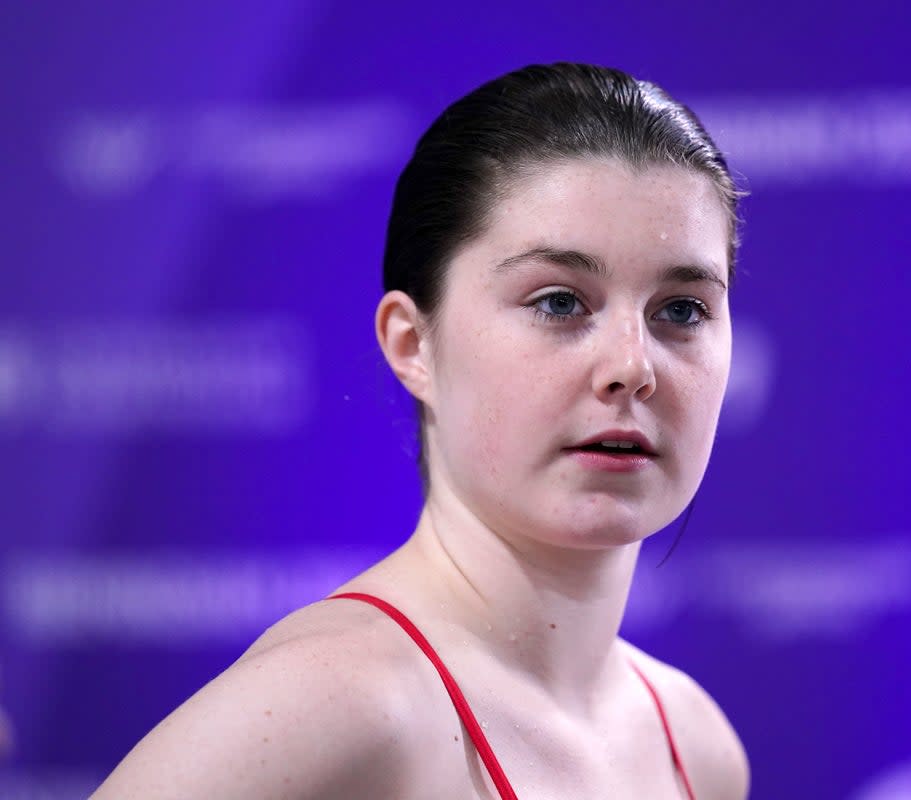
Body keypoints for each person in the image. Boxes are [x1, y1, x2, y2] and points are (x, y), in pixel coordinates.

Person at [93, 62, 750, 799]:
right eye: (561, 302)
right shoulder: (344, 704)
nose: (632, 366)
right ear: (413, 345)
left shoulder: (696, 745)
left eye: (683, 310)